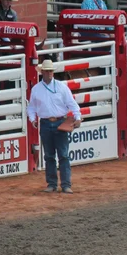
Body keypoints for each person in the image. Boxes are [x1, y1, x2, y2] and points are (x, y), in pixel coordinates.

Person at [27, 59, 82, 194]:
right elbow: (31, 108)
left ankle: (64, 184)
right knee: (50, 156)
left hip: (57, 122)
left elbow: (72, 104)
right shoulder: (37, 89)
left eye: (51, 71)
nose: (50, 73)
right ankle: (54, 184)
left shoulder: (61, 87)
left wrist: (78, 117)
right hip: (46, 123)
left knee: (62, 155)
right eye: (48, 71)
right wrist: (33, 119)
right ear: (43, 72)